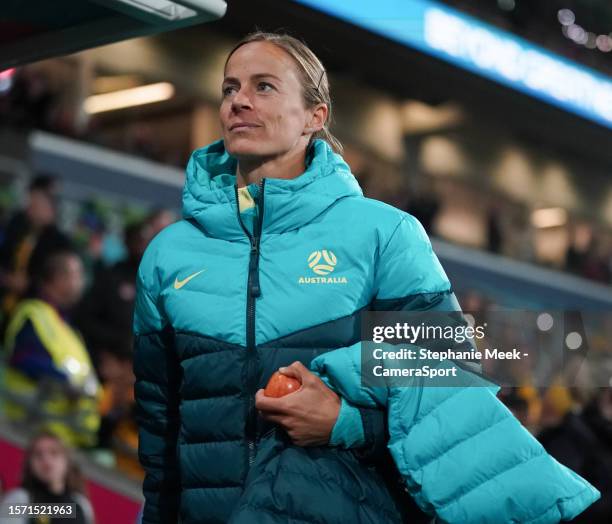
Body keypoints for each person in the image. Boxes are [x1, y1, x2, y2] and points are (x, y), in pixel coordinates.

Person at [133, 31, 597, 524]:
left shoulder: (385, 235)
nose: (239, 101)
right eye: (230, 88)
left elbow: (448, 382)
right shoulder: (169, 254)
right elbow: (160, 434)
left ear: (316, 116)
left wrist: (347, 424)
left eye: (263, 86)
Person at [3, 248, 102, 448]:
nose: (81, 283)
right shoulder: (34, 313)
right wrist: (65, 382)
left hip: (62, 438)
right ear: (58, 279)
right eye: (77, 275)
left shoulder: (71, 331)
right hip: (27, 432)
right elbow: (24, 358)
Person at [0, 431, 95, 524]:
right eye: (38, 454)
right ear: (29, 464)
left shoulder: (81, 505)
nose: (46, 459)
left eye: (54, 453)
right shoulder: (19, 499)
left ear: (67, 461)